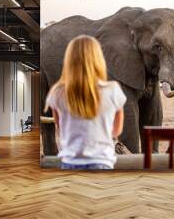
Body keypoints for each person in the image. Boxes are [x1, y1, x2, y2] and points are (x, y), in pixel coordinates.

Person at [45, 35, 126, 170]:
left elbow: (60, 126)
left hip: (70, 161)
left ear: (69, 60)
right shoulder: (113, 90)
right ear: (98, 59)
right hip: (103, 161)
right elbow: (116, 130)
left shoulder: (57, 92)